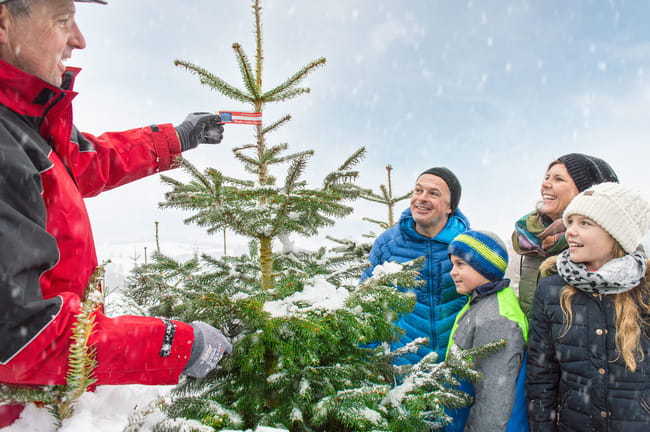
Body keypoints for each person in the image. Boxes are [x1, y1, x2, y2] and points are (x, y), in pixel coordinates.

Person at [0, 0, 231, 425]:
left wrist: (176, 138)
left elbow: (83, 162)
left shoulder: (25, 120)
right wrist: (178, 345)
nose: (79, 40)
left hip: (47, 401)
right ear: (4, 23)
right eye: (63, 21)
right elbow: (22, 337)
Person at [527, 182, 650, 431]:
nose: (570, 231)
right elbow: (541, 375)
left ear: (616, 234)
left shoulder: (645, 289)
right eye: (570, 222)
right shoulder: (551, 289)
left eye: (585, 223)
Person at [360, 167, 470, 365]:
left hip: (457, 370)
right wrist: (371, 365)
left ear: (449, 207)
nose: (422, 198)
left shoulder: (467, 245)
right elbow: (366, 305)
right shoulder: (388, 244)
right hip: (402, 369)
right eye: (418, 190)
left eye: (434, 193)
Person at [511, 153, 618, 318]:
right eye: (546, 177)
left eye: (558, 179)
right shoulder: (530, 241)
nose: (545, 184)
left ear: (586, 192)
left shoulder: (613, 244)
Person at [446, 230, 528, 432]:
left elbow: (493, 401)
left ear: (483, 267)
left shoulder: (495, 319)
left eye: (460, 264)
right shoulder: (479, 303)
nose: (452, 272)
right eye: (452, 264)